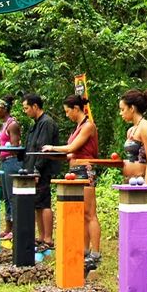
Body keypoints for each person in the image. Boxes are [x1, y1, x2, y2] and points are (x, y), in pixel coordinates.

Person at [42, 95, 101, 269]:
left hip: (85, 170)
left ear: (76, 108)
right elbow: (70, 153)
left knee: (90, 213)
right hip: (74, 171)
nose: (67, 115)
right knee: (82, 213)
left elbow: (72, 148)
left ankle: (96, 253)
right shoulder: (78, 127)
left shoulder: (88, 126)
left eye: (68, 111)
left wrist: (52, 147)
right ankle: (84, 250)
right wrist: (53, 155)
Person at [22, 93, 60, 250]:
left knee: (44, 203)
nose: (25, 111)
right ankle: (41, 236)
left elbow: (43, 148)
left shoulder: (47, 123)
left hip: (43, 170)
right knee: (36, 203)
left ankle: (48, 239)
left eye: (26, 108)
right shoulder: (35, 124)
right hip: (32, 168)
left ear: (35, 106)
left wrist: (37, 169)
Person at [119, 89, 147, 184]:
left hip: (141, 181)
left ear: (132, 108)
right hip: (129, 181)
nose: (120, 113)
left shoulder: (146, 126)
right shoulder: (130, 130)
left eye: (123, 109)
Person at [0, 96, 22, 239]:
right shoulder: (3, 124)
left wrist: (3, 148)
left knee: (12, 196)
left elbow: (15, 147)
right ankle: (7, 227)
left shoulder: (12, 125)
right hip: (4, 161)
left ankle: (15, 229)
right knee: (6, 196)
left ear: (5, 110)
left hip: (12, 162)